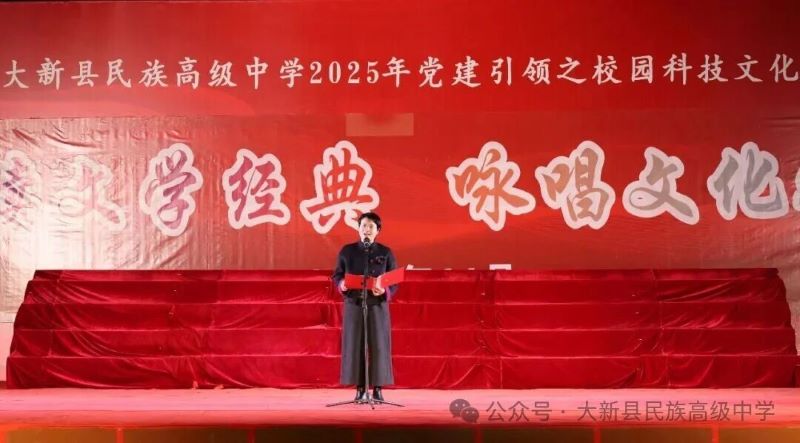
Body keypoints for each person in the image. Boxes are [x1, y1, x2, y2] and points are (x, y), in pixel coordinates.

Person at [332, 212, 398, 402]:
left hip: (377, 304)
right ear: (358, 228)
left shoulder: (386, 252)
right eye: (363, 226)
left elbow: (393, 279)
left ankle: (377, 389)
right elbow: (337, 275)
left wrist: (384, 289)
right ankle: (360, 389)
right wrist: (342, 284)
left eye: (371, 226)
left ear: (378, 230)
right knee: (355, 345)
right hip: (354, 303)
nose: (367, 230)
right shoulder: (347, 251)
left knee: (379, 345)